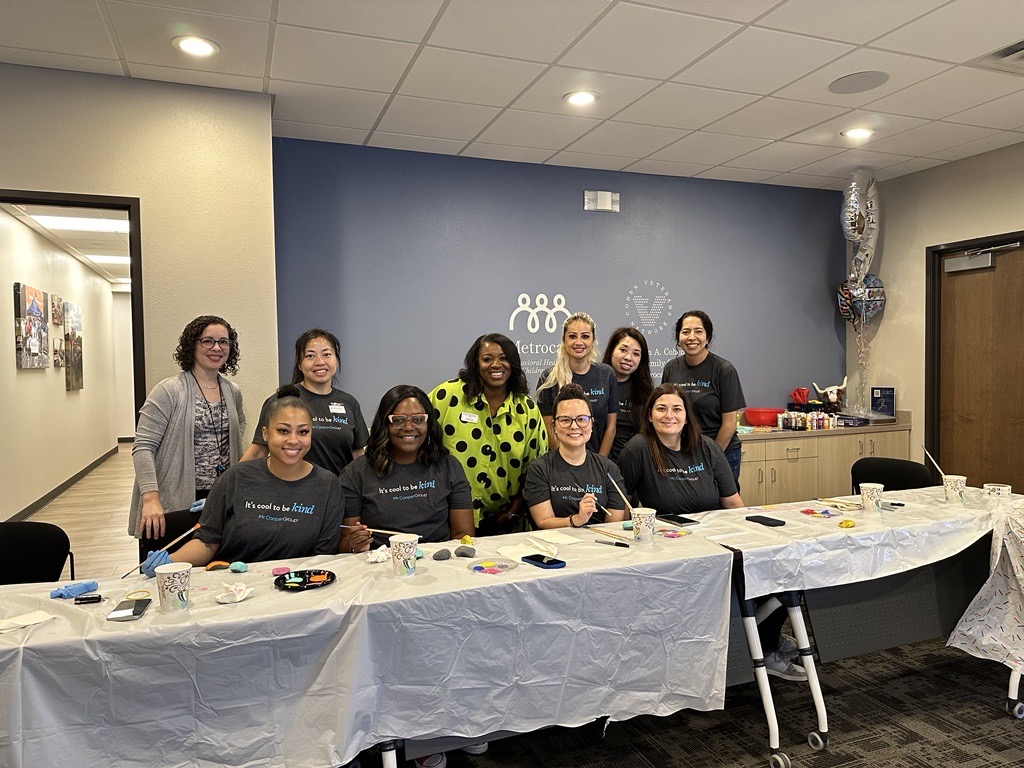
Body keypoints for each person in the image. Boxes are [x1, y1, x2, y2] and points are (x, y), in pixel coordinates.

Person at [619, 384, 804, 681]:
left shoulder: (706, 447)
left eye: (677, 409)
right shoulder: (637, 450)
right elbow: (623, 508)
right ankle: (765, 649)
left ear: (687, 415)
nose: (669, 415)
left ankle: (765, 639)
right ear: (649, 415)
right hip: (673, 548)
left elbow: (732, 502)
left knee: (782, 568)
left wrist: (756, 538)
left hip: (719, 537)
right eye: (661, 409)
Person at [141, 386, 342, 571]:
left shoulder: (327, 485)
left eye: (303, 432)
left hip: (296, 586)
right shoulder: (236, 477)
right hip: (233, 586)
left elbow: (323, 556)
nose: (293, 440)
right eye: (283, 430)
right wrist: (170, 562)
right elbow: (207, 542)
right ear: (265, 434)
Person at [129, 315, 245, 540]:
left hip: (220, 495)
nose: (217, 348)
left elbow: (240, 423)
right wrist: (150, 497)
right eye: (208, 341)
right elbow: (143, 447)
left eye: (223, 342)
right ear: (193, 345)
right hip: (176, 496)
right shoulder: (168, 390)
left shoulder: (232, 391)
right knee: (173, 557)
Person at [429, 334, 548, 536]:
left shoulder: (527, 409)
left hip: (504, 522)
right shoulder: (447, 396)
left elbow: (533, 469)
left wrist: (511, 513)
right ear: (475, 364)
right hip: (447, 516)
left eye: (504, 358)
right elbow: (421, 439)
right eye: (487, 359)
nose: (496, 365)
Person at [340, 385, 474, 553]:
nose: (409, 427)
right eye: (398, 420)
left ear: (428, 423)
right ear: (385, 424)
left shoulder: (449, 466)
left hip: (438, 560)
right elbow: (345, 544)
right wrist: (355, 543)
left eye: (418, 419)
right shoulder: (355, 473)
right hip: (382, 561)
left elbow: (464, 535)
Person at [241, 328, 367, 476]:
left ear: (336, 360)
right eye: (310, 356)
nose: (319, 362)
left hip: (339, 487)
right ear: (300, 364)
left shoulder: (349, 403)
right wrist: (230, 480)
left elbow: (358, 455)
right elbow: (258, 450)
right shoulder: (282, 400)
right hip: (291, 487)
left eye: (326, 354)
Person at [524, 384, 627, 529]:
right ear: (554, 426)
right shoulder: (540, 469)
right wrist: (576, 520)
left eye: (582, 419)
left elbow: (614, 524)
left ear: (591, 423)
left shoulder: (609, 469)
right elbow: (543, 521)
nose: (574, 426)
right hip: (556, 541)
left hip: (600, 541)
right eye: (565, 420)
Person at [661, 310, 746, 482]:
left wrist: (711, 458)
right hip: (684, 452)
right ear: (678, 338)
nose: (691, 337)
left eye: (698, 331)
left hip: (721, 451)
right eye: (685, 332)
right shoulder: (671, 368)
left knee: (721, 499)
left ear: (707, 338)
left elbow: (729, 425)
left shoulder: (724, 370)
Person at [536, 312, 618, 457]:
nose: (578, 342)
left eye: (585, 336)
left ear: (593, 340)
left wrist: (600, 463)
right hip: (561, 462)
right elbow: (548, 429)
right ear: (564, 339)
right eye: (572, 336)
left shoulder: (606, 374)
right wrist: (569, 461)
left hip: (599, 460)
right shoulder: (549, 378)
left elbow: (611, 427)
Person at [602, 326, 653, 463]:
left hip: (632, 464)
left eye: (636, 354)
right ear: (611, 350)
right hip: (596, 461)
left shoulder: (647, 394)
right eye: (623, 350)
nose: (628, 358)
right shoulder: (595, 385)